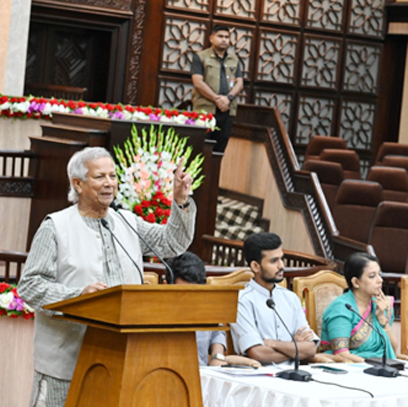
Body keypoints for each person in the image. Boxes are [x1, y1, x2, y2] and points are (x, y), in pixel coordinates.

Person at [17, 146, 196, 407]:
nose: (109, 183)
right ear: (77, 183)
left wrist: (180, 201)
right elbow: (30, 286)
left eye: (113, 176)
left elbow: (172, 243)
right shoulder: (56, 226)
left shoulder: (126, 221)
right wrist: (79, 296)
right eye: (100, 177)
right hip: (67, 359)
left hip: (119, 357)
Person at [229, 232, 318, 365]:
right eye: (273, 261)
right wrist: (294, 348)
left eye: (281, 259)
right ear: (255, 266)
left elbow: (310, 349)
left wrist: (272, 344)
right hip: (260, 376)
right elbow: (257, 353)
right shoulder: (241, 301)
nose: (281, 265)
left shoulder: (291, 298)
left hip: (295, 373)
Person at [166, 252, 261, 368]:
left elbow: (217, 331)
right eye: (183, 292)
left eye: (195, 292)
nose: (190, 299)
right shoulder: (153, 312)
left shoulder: (206, 305)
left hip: (204, 375)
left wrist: (217, 356)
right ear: (166, 285)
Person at [319, 253, 397, 361]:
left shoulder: (379, 305)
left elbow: (392, 349)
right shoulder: (341, 308)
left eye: (379, 274)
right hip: (349, 368)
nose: (380, 280)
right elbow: (341, 354)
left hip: (380, 366)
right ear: (356, 282)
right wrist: (373, 365)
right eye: (372, 276)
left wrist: (382, 319)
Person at [191, 25, 244, 153]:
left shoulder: (234, 60)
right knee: (200, 148)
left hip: (227, 111)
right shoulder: (200, 57)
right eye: (220, 36)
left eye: (227, 37)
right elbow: (198, 82)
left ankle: (214, 173)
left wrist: (228, 98)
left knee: (219, 150)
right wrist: (216, 99)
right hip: (206, 110)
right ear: (211, 38)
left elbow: (240, 83)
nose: (224, 40)